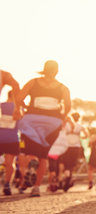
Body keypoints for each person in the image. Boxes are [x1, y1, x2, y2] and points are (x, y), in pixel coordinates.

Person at [14, 60, 70, 197]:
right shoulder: (63, 88)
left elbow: (19, 97)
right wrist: (61, 117)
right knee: (44, 156)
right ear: (57, 71)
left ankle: (32, 164)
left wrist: (23, 107)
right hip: (52, 122)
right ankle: (36, 188)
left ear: (44, 69)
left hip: (32, 119)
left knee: (31, 151)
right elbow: (68, 106)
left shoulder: (33, 82)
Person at [1, 86, 21, 195]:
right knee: (10, 163)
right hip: (12, 139)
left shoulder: (1, 106)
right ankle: (7, 184)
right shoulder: (19, 109)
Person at [60, 112, 88, 191]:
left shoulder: (67, 125)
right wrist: (80, 137)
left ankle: (67, 178)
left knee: (66, 165)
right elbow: (86, 135)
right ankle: (69, 178)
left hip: (67, 146)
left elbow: (61, 132)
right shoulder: (79, 126)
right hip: (76, 147)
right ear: (78, 118)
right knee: (71, 165)